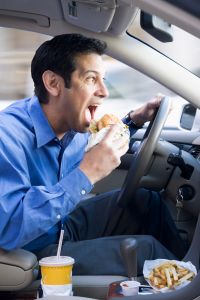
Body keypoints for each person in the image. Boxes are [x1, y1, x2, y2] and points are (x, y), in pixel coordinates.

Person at [0, 33, 187, 276]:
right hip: (32, 251)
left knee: (145, 201)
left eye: (104, 80)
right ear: (54, 83)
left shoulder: (72, 125)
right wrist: (87, 172)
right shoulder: (8, 136)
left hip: (61, 225)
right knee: (146, 251)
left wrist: (134, 120)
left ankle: (188, 272)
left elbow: (100, 138)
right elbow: (9, 229)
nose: (104, 91)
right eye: (91, 79)